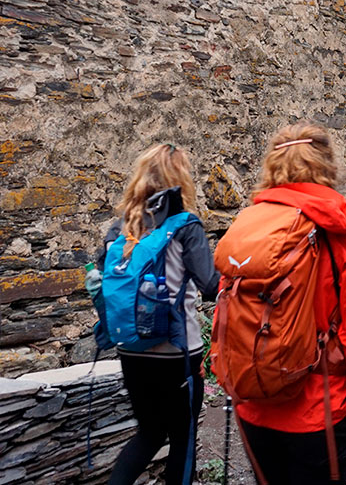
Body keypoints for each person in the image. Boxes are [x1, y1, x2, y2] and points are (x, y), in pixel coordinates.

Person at [232, 121, 346, 485]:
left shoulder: (248, 227)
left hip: (253, 404)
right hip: (321, 409)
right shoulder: (340, 232)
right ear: (327, 165)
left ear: (272, 165)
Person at [99, 143, 220, 485]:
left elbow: (100, 275)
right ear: (179, 179)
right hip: (177, 351)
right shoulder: (185, 224)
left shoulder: (120, 227)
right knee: (183, 437)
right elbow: (209, 284)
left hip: (130, 348)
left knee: (149, 432)